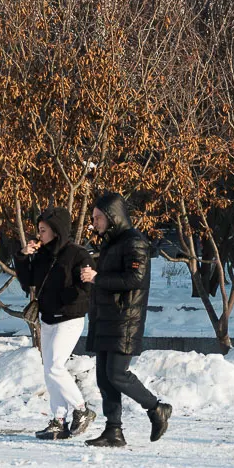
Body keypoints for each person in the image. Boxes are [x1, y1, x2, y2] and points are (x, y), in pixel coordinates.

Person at [79, 192, 172, 447]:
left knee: (117, 374)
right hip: (106, 318)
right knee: (103, 377)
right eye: (94, 218)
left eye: (98, 217)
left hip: (125, 320)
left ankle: (157, 408)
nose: (94, 222)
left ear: (112, 217)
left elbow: (135, 279)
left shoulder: (135, 242)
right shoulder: (111, 243)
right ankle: (114, 431)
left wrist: (97, 278)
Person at [16, 207, 97, 440]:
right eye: (39, 230)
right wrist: (23, 256)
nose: (39, 235)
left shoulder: (78, 254)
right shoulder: (42, 255)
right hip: (48, 319)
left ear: (57, 231)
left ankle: (82, 410)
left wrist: (60, 297)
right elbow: (28, 281)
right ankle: (58, 420)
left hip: (70, 319)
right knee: (49, 371)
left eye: (43, 230)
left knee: (55, 367)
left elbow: (85, 288)